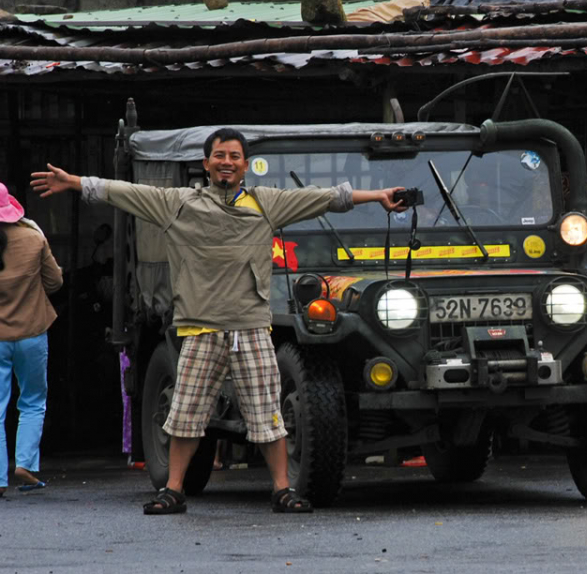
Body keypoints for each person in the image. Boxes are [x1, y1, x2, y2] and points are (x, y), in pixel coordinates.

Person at [31, 127, 407, 515]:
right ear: (206, 163)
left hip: (251, 328)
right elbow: (124, 192)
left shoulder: (267, 203)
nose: (226, 162)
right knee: (185, 415)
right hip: (200, 328)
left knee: (268, 416)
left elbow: (326, 198)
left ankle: (282, 489)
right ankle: (173, 490)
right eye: (219, 155)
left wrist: (378, 196)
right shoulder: (177, 203)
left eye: (234, 156)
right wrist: (74, 182)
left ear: (245, 165)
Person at [0, 182, 63, 497]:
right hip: (32, 334)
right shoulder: (33, 237)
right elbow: (55, 281)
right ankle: (25, 464)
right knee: (33, 401)